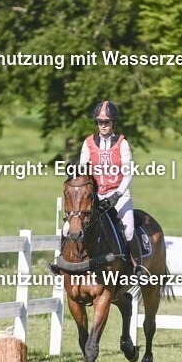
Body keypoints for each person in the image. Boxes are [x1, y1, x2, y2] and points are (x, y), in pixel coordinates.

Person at [78, 100, 149, 275]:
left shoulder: (122, 144)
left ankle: (137, 267)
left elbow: (129, 173)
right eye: (100, 122)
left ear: (113, 123)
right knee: (70, 227)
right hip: (95, 195)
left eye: (107, 122)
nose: (103, 126)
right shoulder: (88, 143)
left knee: (129, 230)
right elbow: (82, 170)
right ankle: (63, 264)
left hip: (119, 195)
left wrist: (117, 194)